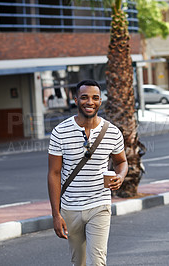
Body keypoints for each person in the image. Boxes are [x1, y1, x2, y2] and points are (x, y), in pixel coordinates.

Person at [47, 79, 128, 266]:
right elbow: (54, 173)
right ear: (76, 100)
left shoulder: (113, 132)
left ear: (100, 101)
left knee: (97, 262)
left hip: (99, 204)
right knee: (79, 262)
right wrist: (55, 215)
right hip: (70, 208)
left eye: (94, 98)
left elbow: (121, 162)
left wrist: (120, 176)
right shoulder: (60, 132)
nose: (89, 102)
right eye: (84, 97)